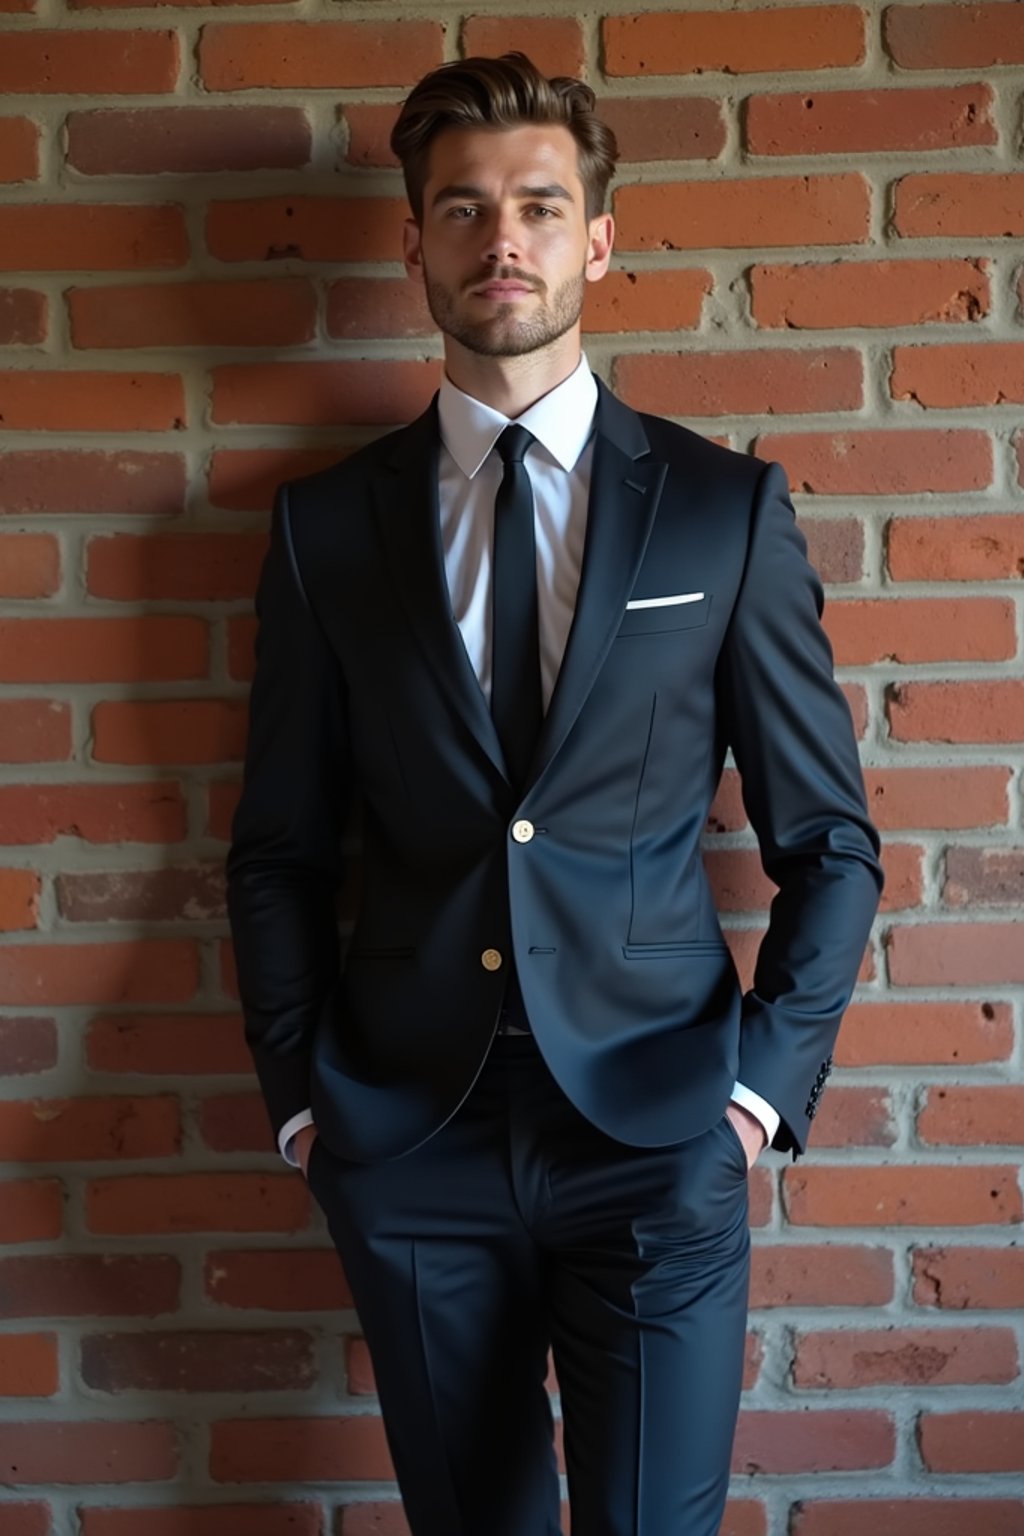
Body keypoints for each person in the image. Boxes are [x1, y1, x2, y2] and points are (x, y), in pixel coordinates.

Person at [226, 52, 883, 1536]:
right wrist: (300, 1111)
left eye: (538, 205)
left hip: (658, 1140)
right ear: (415, 246)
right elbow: (276, 849)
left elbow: (830, 844)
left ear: (598, 239)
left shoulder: (721, 510)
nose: (500, 240)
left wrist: (753, 1102)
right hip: (409, 1144)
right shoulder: (327, 529)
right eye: (462, 210)